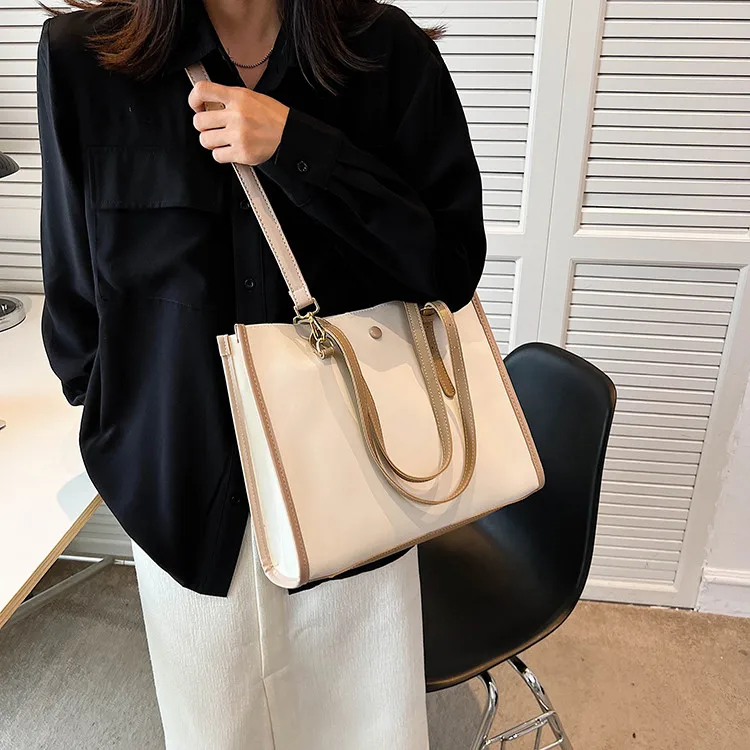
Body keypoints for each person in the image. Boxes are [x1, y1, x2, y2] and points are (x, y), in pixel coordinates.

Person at [37, 0, 486, 747]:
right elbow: (74, 280)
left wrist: (301, 149)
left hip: (359, 471)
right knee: (216, 726)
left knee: (362, 726)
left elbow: (449, 266)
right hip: (179, 482)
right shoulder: (84, 56)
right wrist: (118, 425)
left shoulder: (386, 52)